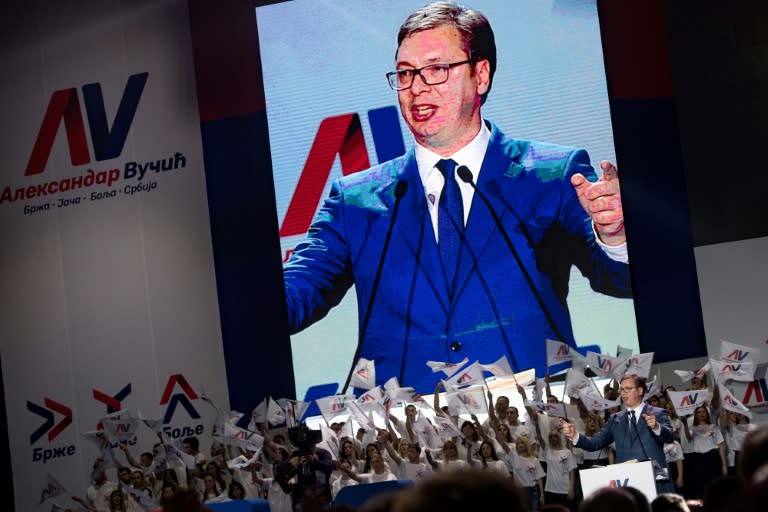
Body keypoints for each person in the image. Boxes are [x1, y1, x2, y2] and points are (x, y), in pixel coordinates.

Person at [281, 0, 631, 394]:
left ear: (480, 76)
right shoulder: (355, 200)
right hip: (401, 438)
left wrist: (615, 234)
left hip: (534, 423)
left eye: (436, 70)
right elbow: (297, 294)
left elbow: (619, 278)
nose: (416, 88)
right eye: (405, 73)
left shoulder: (552, 173)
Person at [561, 374, 676, 494]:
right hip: (626, 479)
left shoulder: (657, 413)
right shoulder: (615, 419)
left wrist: (657, 427)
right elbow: (595, 443)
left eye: (628, 389)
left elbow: (669, 438)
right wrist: (575, 436)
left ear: (640, 390)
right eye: (621, 389)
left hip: (655, 476)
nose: (623, 393)